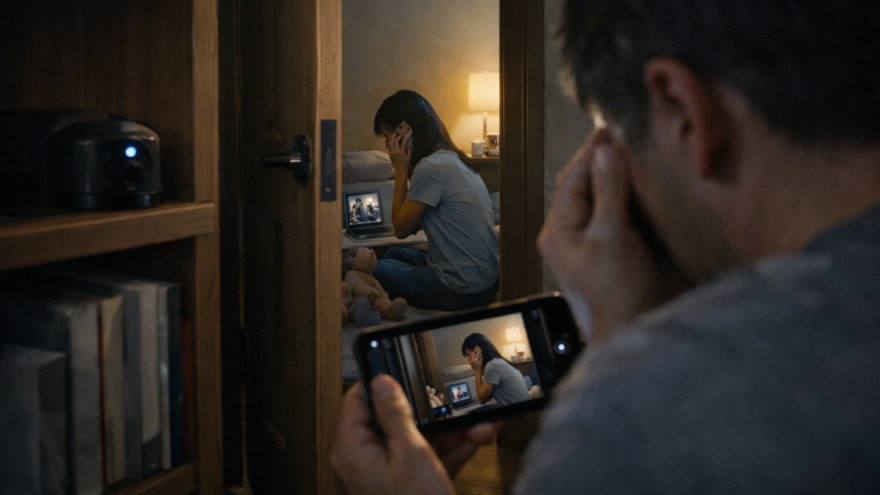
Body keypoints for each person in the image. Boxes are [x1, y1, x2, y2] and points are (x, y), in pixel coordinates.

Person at [330, 1, 880, 493]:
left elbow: (402, 227)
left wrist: (626, 363)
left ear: (682, 112)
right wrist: (631, 335)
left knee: (389, 260)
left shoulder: (616, 435)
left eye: (613, 130)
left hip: (460, 291)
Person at [370, 90, 499, 311]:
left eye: (388, 135)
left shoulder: (430, 168)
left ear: (405, 132)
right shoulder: (454, 158)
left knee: (375, 268)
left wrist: (400, 169)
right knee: (393, 254)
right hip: (485, 282)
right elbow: (415, 224)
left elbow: (400, 229)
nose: (388, 144)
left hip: (459, 290)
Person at [461, 333, 531, 407]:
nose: (469, 360)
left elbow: (482, 400)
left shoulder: (492, 366)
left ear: (479, 352)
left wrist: (477, 370)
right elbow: (488, 396)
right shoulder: (499, 362)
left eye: (469, 356)